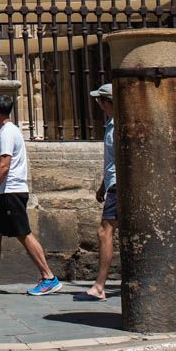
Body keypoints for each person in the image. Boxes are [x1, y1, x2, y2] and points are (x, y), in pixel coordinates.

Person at [0, 94, 62, 295]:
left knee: (23, 233)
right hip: (5, 192)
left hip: (11, 192)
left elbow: (4, 165)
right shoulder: (8, 131)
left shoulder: (7, 132)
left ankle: (48, 276)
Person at [80, 83, 117, 301]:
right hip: (113, 185)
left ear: (105, 102)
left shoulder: (117, 125)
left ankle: (99, 286)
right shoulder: (112, 125)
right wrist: (104, 185)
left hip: (118, 187)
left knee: (104, 233)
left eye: (99, 101)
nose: (99, 106)